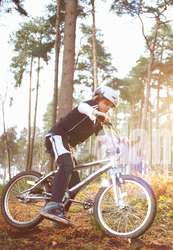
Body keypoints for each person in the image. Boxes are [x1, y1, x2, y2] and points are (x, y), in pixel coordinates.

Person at [40, 85, 119, 227]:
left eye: (111, 107)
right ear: (98, 99)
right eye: (106, 104)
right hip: (57, 136)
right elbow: (83, 108)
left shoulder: (97, 123)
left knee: (75, 183)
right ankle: (52, 206)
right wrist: (96, 113)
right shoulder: (90, 106)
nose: (108, 108)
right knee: (66, 164)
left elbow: (104, 140)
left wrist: (120, 144)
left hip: (67, 145)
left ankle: (58, 215)